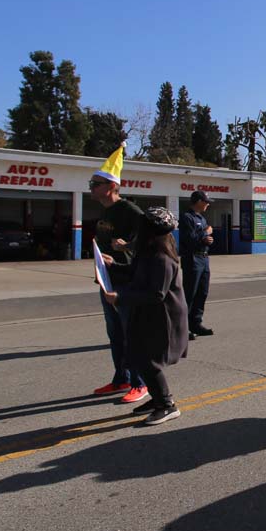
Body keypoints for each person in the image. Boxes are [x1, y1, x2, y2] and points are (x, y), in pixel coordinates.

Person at [102, 207, 189, 426]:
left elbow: (155, 294)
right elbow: (133, 273)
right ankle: (157, 399)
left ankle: (167, 406)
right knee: (139, 356)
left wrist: (120, 297)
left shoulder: (162, 259)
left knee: (149, 361)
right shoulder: (148, 251)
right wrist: (112, 266)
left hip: (163, 317)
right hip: (147, 314)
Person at [88, 145, 149, 405]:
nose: (91, 187)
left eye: (96, 183)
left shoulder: (130, 211)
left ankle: (140, 383)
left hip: (126, 281)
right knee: (115, 333)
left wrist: (127, 247)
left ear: (111, 186)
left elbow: (153, 238)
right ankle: (121, 378)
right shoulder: (105, 211)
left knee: (130, 332)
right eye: (91, 182)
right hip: (106, 279)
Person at [179, 190, 214, 339]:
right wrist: (205, 234)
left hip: (204, 258)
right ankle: (183, 328)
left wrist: (207, 238)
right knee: (190, 294)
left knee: (202, 293)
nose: (208, 204)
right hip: (192, 259)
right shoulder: (187, 217)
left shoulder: (202, 218)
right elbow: (189, 239)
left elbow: (201, 238)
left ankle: (196, 323)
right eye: (206, 201)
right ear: (199, 201)